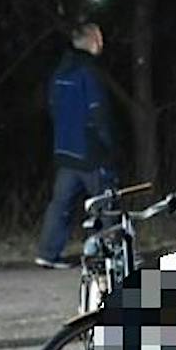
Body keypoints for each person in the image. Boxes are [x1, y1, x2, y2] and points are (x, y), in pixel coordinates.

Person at [36, 20, 118, 269]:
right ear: (93, 40)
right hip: (90, 152)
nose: (102, 42)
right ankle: (112, 253)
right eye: (100, 37)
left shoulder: (59, 72)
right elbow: (98, 112)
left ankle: (47, 253)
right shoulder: (89, 71)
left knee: (60, 204)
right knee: (106, 201)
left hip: (64, 150)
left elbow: (52, 107)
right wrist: (109, 144)